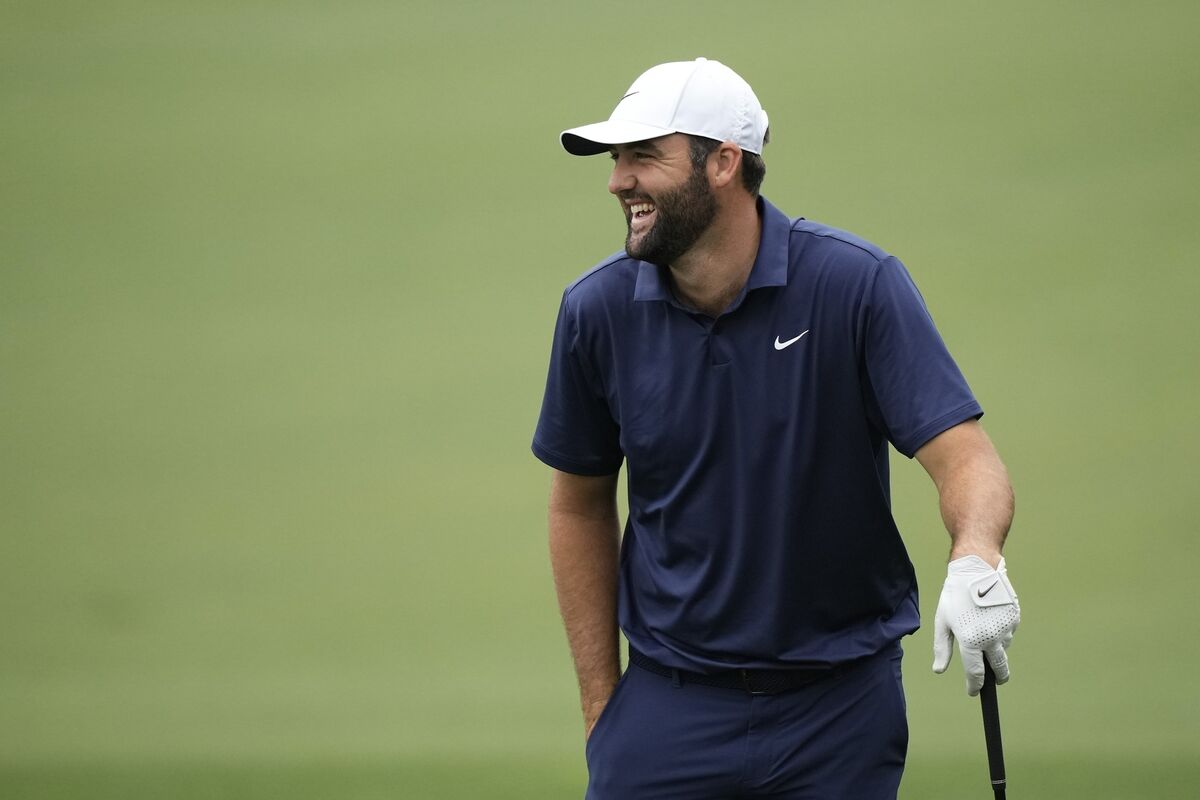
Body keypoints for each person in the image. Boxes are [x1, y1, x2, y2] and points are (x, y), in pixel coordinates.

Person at [531, 57, 1019, 799]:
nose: (617, 180)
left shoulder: (855, 285)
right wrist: (604, 712)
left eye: (643, 157)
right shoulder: (596, 312)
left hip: (838, 710)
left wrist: (977, 556)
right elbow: (579, 503)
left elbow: (966, 458)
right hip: (668, 709)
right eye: (615, 159)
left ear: (724, 162)